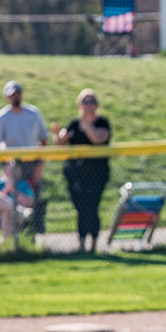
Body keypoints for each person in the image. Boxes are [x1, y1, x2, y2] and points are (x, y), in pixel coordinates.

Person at [51, 89, 112, 253]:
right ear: (79, 104)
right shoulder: (73, 124)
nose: (87, 105)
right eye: (84, 102)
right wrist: (57, 136)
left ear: (96, 105)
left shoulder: (102, 123)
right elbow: (61, 142)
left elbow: (98, 139)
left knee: (92, 207)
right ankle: (81, 243)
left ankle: (93, 244)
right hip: (76, 175)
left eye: (91, 101)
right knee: (80, 209)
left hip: (97, 174)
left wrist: (86, 123)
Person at [0, 80, 49, 231]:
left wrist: (40, 165)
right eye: (12, 95)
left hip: (31, 162)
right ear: (6, 97)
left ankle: (33, 229)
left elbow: (43, 140)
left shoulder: (33, 113)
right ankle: (16, 220)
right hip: (11, 164)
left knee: (33, 197)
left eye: (17, 94)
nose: (15, 98)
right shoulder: (1, 117)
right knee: (9, 193)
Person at [0, 161, 35, 241]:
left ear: (20, 172)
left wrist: (13, 190)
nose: (12, 172)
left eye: (14, 169)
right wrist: (6, 189)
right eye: (10, 169)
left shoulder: (24, 184)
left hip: (16, 217)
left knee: (7, 211)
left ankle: (7, 244)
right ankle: (18, 210)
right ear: (4, 171)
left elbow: (30, 202)